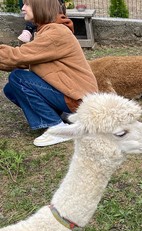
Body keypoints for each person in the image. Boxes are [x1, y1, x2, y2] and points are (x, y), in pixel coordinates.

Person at [0, 0, 98, 147]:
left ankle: (56, 127)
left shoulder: (56, 33)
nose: (22, 8)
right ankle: (64, 116)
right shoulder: (45, 30)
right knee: (11, 89)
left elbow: (18, 56)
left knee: (18, 78)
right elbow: (22, 61)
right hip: (70, 94)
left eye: (27, 4)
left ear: (40, 7)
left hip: (77, 98)